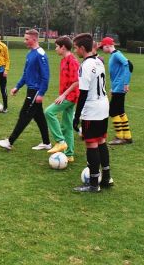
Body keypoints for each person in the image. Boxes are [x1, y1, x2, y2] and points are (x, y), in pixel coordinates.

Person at [0, 29, 50, 151]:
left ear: (34, 39)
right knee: (39, 117)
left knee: (24, 115)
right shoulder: (30, 54)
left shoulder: (40, 54)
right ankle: (46, 142)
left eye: (26, 39)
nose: (24, 41)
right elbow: (26, 74)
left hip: (35, 91)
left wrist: (41, 93)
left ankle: (9, 141)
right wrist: (17, 87)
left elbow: (46, 76)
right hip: (31, 90)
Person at [71, 33, 113, 193]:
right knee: (101, 140)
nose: (75, 51)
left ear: (82, 48)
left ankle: (94, 184)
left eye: (76, 48)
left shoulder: (86, 65)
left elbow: (83, 93)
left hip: (92, 109)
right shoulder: (99, 61)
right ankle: (107, 177)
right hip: (103, 106)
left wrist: (77, 117)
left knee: (91, 144)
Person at [45, 36, 79, 162]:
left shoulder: (73, 61)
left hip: (71, 96)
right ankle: (69, 154)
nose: (55, 49)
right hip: (66, 95)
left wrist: (64, 95)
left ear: (63, 47)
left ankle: (60, 141)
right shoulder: (63, 60)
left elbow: (76, 81)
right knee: (67, 125)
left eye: (57, 47)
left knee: (49, 112)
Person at [99, 37, 133, 145]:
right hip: (117, 87)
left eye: (102, 47)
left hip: (120, 87)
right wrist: (114, 87)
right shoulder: (115, 55)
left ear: (107, 46)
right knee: (120, 111)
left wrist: (126, 83)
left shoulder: (117, 54)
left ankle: (119, 137)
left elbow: (128, 65)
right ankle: (127, 137)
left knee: (113, 111)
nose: (102, 49)